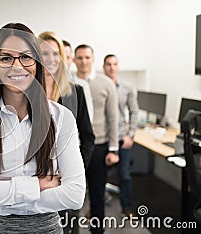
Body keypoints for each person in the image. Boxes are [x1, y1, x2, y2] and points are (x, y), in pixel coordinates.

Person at [0, 23, 86, 234]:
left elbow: (74, 195)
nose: (17, 66)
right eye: (6, 58)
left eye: (26, 57)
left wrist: (2, 191)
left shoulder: (61, 117)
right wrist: (39, 185)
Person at [39, 31, 94, 234]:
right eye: (44, 53)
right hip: (36, 180)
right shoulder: (24, 93)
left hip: (66, 180)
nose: (51, 59)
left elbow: (88, 137)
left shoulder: (75, 92)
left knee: (68, 228)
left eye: (55, 53)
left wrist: (75, 171)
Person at [73, 44, 119, 234]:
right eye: (80, 58)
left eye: (87, 57)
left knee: (97, 194)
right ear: (74, 60)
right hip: (74, 147)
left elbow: (113, 117)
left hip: (99, 146)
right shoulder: (67, 83)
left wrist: (113, 149)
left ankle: (97, 230)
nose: (84, 61)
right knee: (72, 196)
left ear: (93, 59)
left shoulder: (106, 83)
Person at [103, 54, 139, 217]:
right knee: (98, 175)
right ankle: (96, 208)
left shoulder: (127, 87)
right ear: (104, 67)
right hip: (103, 138)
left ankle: (126, 207)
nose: (111, 67)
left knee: (124, 175)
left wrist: (130, 135)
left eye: (115, 64)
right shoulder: (98, 86)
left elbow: (134, 111)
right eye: (108, 64)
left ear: (118, 67)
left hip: (121, 138)